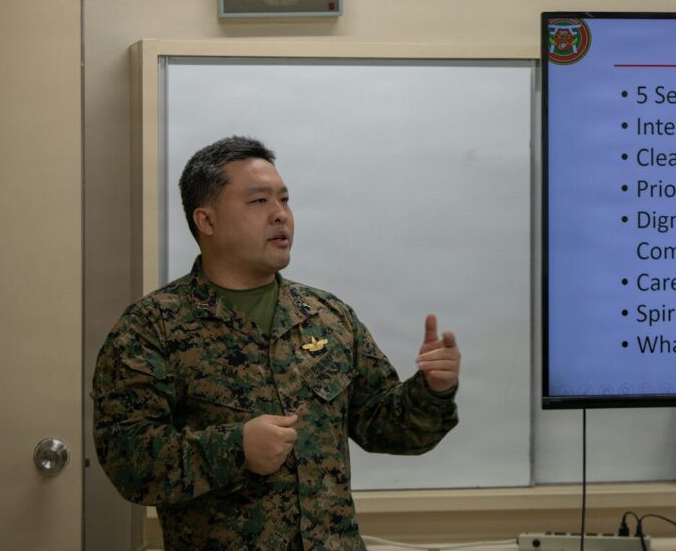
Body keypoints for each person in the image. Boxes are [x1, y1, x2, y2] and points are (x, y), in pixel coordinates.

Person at [93, 136, 460, 549]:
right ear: (206, 221)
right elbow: (128, 461)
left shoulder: (327, 316)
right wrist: (235, 449)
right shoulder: (151, 328)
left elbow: (388, 429)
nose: (280, 214)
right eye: (258, 201)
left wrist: (432, 391)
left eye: (284, 200)